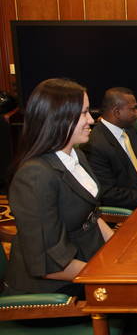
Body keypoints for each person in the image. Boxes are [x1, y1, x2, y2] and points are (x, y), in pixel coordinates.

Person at [5, 78, 114, 299]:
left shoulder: (77, 155)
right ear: (59, 118)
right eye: (83, 113)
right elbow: (49, 265)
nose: (91, 120)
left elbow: (92, 216)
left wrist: (119, 249)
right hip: (52, 292)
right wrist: (109, 275)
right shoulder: (35, 176)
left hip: (87, 264)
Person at [81, 88, 137, 210]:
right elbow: (108, 193)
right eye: (133, 109)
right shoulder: (94, 145)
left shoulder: (131, 131)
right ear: (117, 112)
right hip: (133, 209)